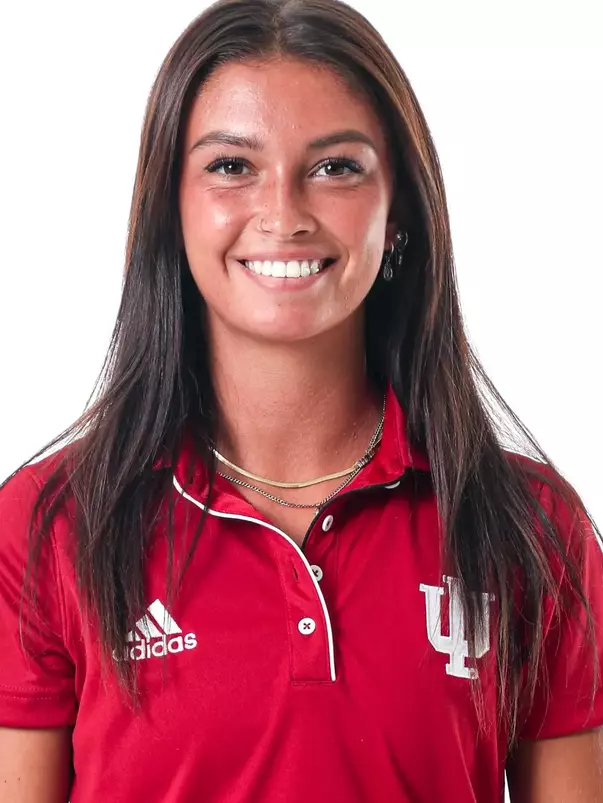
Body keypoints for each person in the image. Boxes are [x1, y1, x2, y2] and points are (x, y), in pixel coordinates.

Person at [1, 0, 602, 800]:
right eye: (230, 166)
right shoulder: (46, 525)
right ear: (169, 210)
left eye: (335, 167)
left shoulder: (532, 528)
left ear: (399, 218)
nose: (282, 214)